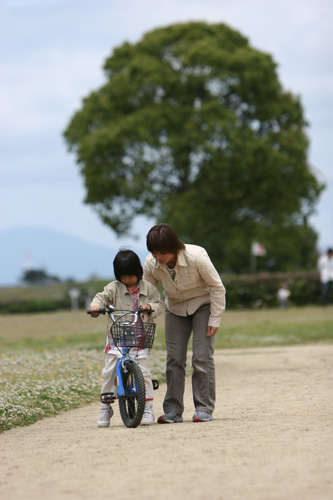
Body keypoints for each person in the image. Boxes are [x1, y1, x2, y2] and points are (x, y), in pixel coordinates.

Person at [143, 224, 226, 423]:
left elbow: (217, 287)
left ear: (175, 247)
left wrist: (215, 318)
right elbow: (149, 295)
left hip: (203, 305)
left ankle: (204, 408)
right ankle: (172, 410)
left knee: (201, 358)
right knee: (174, 359)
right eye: (153, 252)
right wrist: (148, 316)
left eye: (162, 252)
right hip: (175, 308)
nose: (158, 257)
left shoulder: (196, 257)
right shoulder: (150, 263)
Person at [89, 249, 164, 427]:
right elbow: (101, 297)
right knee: (108, 371)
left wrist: (149, 307)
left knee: (143, 371)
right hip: (117, 336)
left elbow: (159, 304)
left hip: (140, 336)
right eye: (123, 277)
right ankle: (106, 406)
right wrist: (95, 306)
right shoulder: (113, 288)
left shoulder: (148, 288)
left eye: (131, 276)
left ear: (138, 272)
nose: (128, 280)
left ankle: (147, 408)